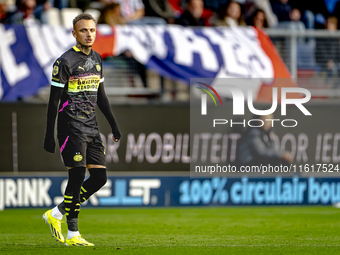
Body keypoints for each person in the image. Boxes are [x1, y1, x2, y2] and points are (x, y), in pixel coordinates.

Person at [42, 13, 121, 246]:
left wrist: (114, 125)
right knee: (76, 175)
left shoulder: (97, 58)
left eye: (92, 30)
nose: (89, 34)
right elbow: (53, 101)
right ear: (74, 33)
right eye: (84, 30)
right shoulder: (64, 62)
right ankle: (73, 234)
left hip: (91, 126)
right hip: (70, 126)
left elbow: (101, 97)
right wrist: (49, 135)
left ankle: (56, 213)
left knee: (99, 177)